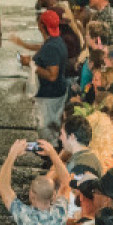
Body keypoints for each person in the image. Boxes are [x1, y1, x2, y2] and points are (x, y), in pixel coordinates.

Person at [0, 139, 69, 225]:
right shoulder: (60, 213)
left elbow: (1, 186)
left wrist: (12, 155)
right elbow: (67, 183)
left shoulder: (25, 215)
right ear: (53, 196)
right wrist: (53, 153)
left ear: (31, 195)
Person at [19, 10, 69, 139]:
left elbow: (52, 75)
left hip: (49, 98)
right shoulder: (56, 41)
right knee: (53, 129)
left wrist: (30, 63)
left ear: (41, 26)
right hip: (57, 94)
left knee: (47, 134)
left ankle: (50, 157)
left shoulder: (51, 47)